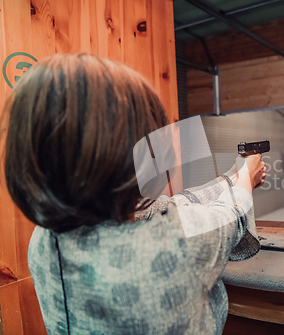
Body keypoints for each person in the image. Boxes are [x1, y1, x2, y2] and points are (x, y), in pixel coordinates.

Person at [2, 53, 266, 334]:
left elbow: (163, 207)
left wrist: (231, 178)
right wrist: (245, 178)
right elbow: (229, 217)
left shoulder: (43, 240)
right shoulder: (173, 244)